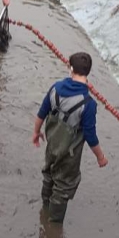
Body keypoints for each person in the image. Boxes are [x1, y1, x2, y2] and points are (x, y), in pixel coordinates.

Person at [32, 52, 108, 223]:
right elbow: (90, 135)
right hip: (69, 153)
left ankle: (45, 206)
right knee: (64, 184)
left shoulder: (55, 88)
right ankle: (54, 221)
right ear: (88, 72)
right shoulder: (88, 103)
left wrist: (36, 133)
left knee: (49, 172)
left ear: (70, 68)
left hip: (52, 144)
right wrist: (100, 157)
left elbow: (41, 113)